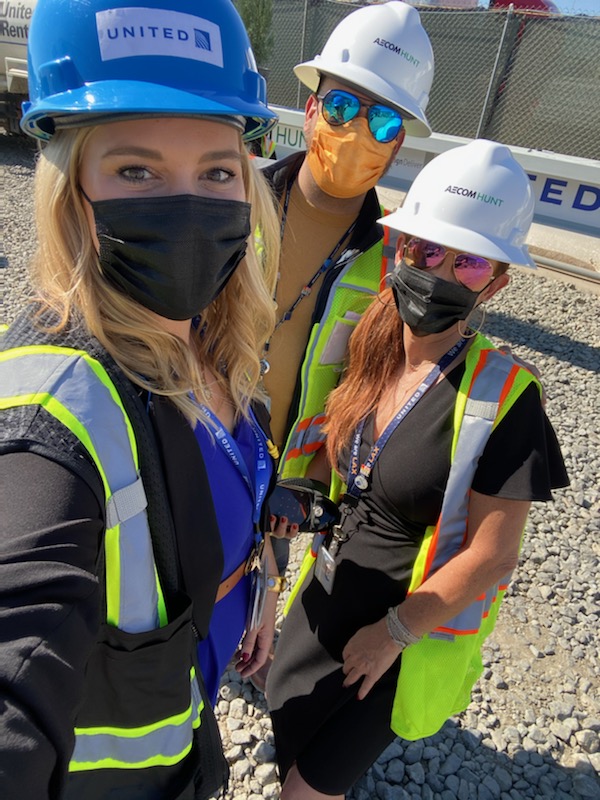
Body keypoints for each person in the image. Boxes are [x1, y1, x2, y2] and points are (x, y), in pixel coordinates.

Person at [0, 0, 284, 797]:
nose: (187, 203)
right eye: (135, 170)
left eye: (218, 172)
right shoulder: (48, 415)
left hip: (194, 714)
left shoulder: (213, 337)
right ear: (70, 190)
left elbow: (230, 482)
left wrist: (258, 581)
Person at [266, 139, 569, 799]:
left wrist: (394, 633)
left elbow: (493, 555)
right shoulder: (367, 343)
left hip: (400, 633)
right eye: (428, 250)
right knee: (287, 739)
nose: (439, 271)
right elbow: (330, 451)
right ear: (398, 246)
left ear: (497, 281)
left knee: (305, 790)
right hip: (323, 593)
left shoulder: (504, 395)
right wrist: (299, 492)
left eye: (468, 262)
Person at [251, 0, 435, 690]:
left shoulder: (391, 260)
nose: (358, 132)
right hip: (196, 434)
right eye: (342, 108)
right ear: (310, 102)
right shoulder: (235, 197)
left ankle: (256, 609)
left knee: (247, 593)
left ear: (399, 143)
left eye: (383, 120)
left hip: (291, 472)